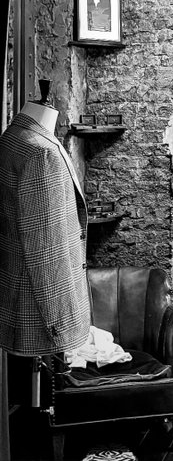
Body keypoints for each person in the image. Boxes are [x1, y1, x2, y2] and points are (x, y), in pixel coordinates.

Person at [0, 97, 91, 355]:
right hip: (37, 309)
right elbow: (46, 251)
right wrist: (61, 327)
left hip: (13, 297)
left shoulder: (11, 139)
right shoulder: (41, 153)